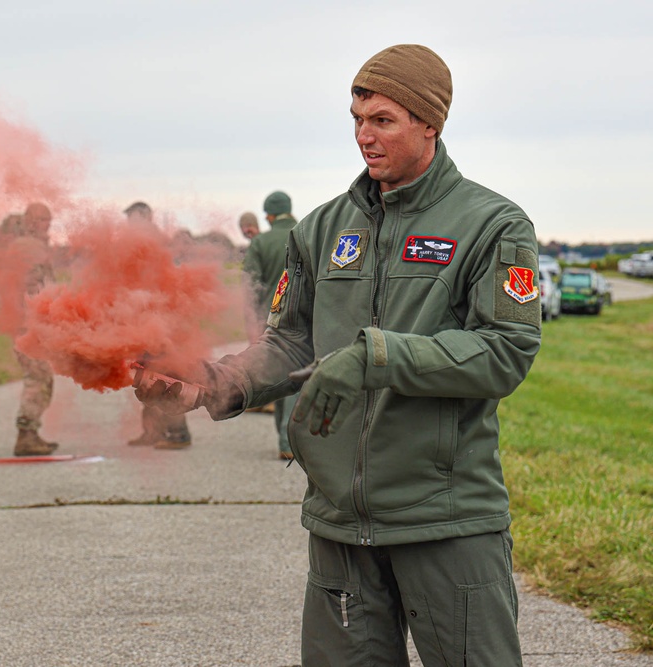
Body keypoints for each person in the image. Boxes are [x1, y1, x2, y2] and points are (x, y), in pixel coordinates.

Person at [136, 44, 540, 666]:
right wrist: (214, 382)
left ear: (430, 122)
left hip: (446, 522)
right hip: (338, 527)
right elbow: (290, 339)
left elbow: (503, 352)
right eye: (356, 119)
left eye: (383, 120)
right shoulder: (322, 229)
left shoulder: (491, 224)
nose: (363, 136)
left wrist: (375, 356)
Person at [123, 200, 193, 450]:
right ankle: (153, 431)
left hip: (159, 324)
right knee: (146, 376)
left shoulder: (154, 244)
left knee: (164, 375)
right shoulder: (139, 245)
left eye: (131, 220)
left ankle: (178, 433)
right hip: (145, 323)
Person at [242, 191, 299, 459]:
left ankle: (285, 439)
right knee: (298, 379)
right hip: (304, 319)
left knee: (279, 379)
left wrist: (251, 324)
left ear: (269, 215)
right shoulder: (308, 233)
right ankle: (290, 442)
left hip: (271, 320)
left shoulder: (260, 243)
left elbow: (250, 287)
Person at [7, 202, 60, 457]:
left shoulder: (31, 246)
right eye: (40, 220)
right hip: (28, 324)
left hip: (30, 322)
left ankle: (30, 432)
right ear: (29, 222)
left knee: (42, 378)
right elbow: (32, 287)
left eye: (48, 220)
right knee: (38, 379)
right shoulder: (28, 248)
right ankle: (26, 435)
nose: (46, 225)